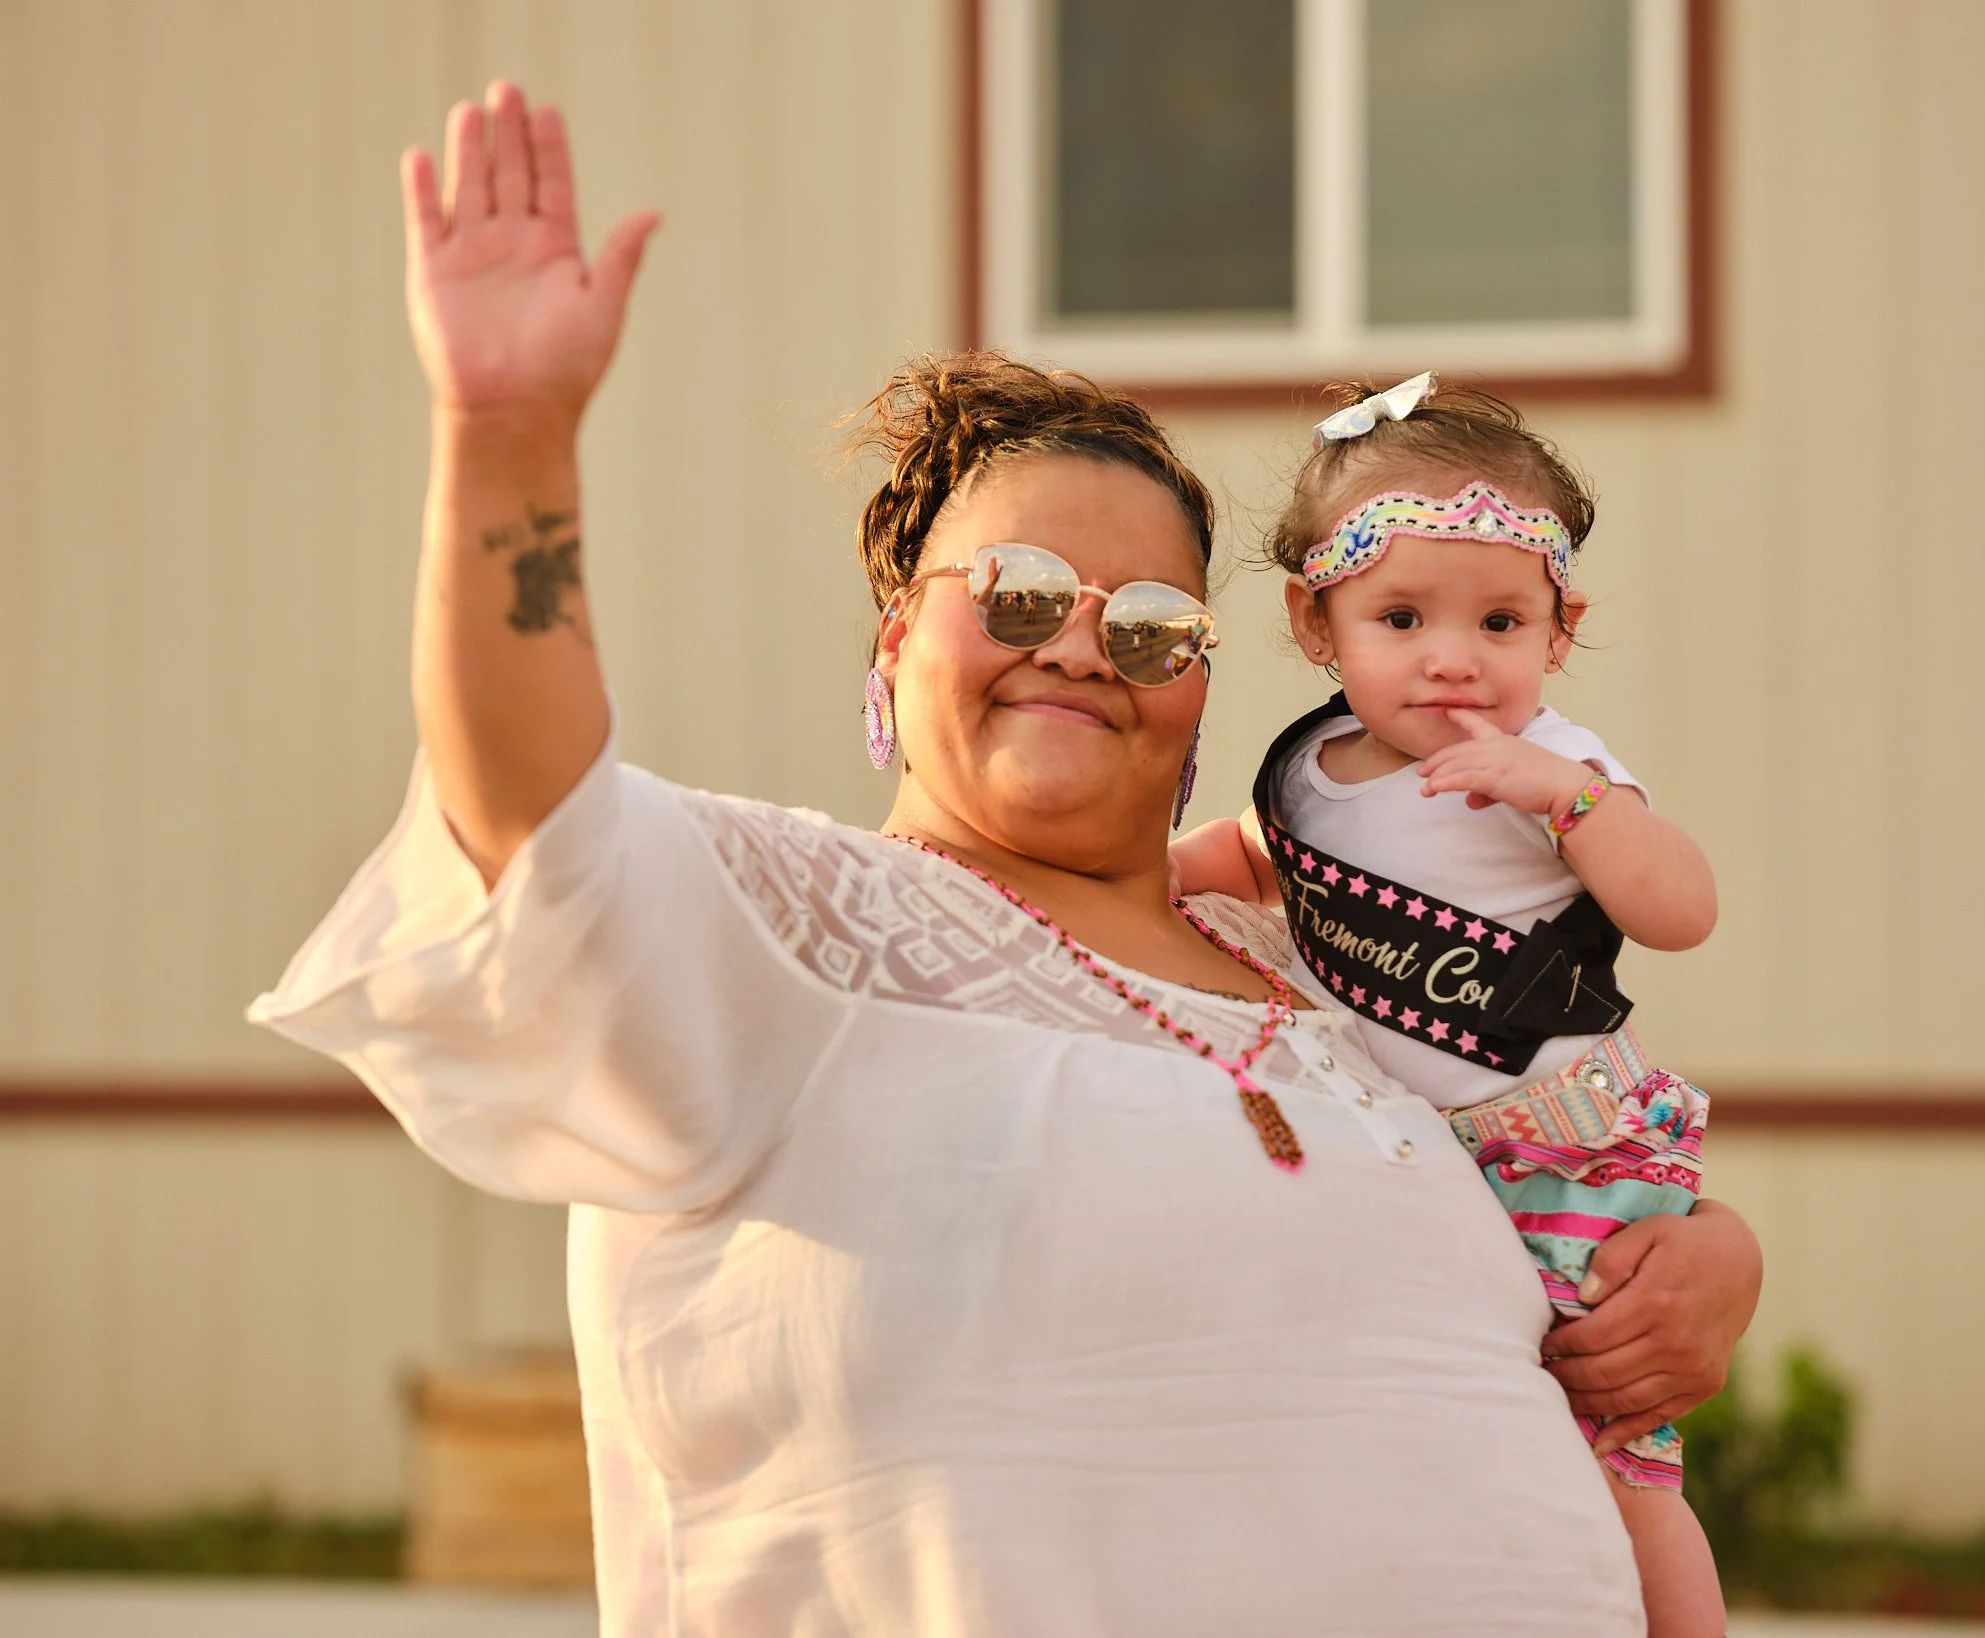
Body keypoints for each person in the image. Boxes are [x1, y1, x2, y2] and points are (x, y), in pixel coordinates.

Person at [249, 84, 1761, 1635]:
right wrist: (505, 444)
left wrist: (1708, 1258)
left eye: (1153, 622)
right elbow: (531, 809)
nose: (1085, 647)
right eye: (1021, 593)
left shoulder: (1313, 950)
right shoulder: (785, 931)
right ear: (894, 639)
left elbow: (1549, 1136)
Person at [1172, 374, 1725, 1635]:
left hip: (1564, 1146)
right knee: (1464, 1442)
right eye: (1401, 617)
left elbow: (1681, 909)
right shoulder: (1306, 775)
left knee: (1613, 1455)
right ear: (1315, 624)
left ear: (1557, 632)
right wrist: (1148, 875)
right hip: (1421, 1171)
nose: (1451, 658)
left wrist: (1566, 803)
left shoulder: (1559, 764)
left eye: (1498, 622)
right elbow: (1249, 861)